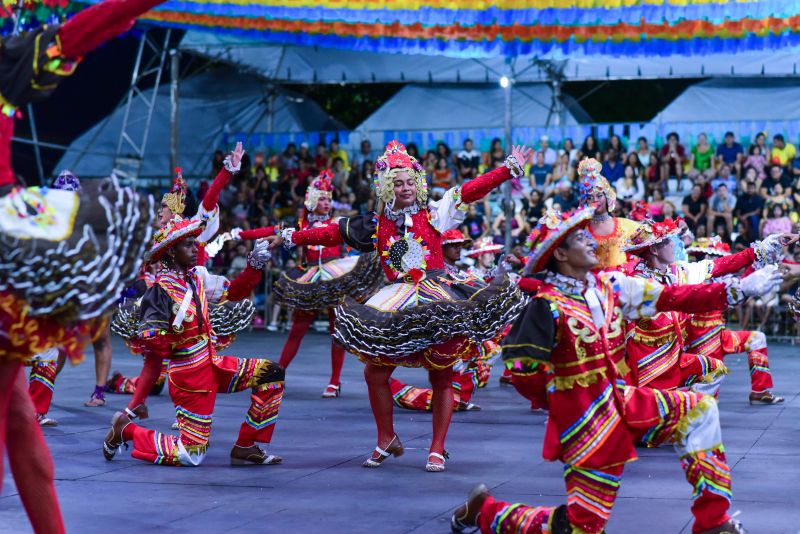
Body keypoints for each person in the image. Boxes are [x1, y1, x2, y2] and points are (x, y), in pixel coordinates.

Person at [450, 206, 782, 534]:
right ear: (561, 254)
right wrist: (566, 402)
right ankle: (486, 514)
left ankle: (714, 522)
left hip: (622, 399)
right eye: (582, 239)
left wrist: (738, 289)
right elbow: (522, 371)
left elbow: (674, 297)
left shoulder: (611, 286)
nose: (593, 242)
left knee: (701, 410)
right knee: (583, 526)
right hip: (586, 422)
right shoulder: (545, 306)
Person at [265, 141, 531, 472]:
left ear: (417, 183)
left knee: (442, 374)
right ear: (387, 186)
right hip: (396, 299)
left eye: (409, 182)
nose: (405, 188)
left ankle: (437, 447)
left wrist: (507, 169)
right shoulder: (375, 224)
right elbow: (331, 233)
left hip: (437, 299)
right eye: (398, 182)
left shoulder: (435, 211)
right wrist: (290, 237)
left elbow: (471, 190)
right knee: (374, 373)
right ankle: (385, 438)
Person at [102, 219, 285, 467]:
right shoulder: (160, 290)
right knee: (191, 454)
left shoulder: (198, 277)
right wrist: (175, 340)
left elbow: (235, 292)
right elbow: (152, 339)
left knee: (271, 374)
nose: (193, 249)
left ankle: (246, 445)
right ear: (171, 252)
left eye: (193, 244)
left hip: (215, 365)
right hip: (190, 379)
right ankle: (126, 430)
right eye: (188, 245)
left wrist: (254, 265)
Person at [622, 219, 786, 396]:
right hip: (649, 365)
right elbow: (682, 297)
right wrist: (736, 289)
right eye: (668, 242)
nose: (674, 245)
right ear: (654, 250)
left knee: (715, 369)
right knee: (661, 414)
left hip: (675, 358)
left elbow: (720, 265)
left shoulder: (677, 272)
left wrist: (760, 249)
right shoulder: (638, 283)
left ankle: (693, 405)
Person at [257, 170, 382, 398]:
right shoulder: (301, 225)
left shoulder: (337, 223)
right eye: (322, 199)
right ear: (313, 201)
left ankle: (334, 381)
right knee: (297, 330)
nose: (327, 203)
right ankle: (278, 374)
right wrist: (236, 235)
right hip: (311, 279)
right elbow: (271, 231)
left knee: (337, 331)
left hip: (336, 277)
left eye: (328, 198)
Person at [685, 237, 784, 404]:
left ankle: (759, 390)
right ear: (706, 257)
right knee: (706, 391)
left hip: (720, 335)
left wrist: (758, 263)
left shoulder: (717, 280)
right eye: (715, 257)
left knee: (757, 339)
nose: (719, 261)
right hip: (700, 338)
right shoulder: (693, 280)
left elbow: (740, 287)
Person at [578, 158, 640, 269]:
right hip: (593, 284)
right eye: (590, 197)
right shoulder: (581, 230)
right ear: (585, 202)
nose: (595, 200)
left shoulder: (624, 225)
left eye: (599, 195)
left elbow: (651, 235)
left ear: (608, 198)